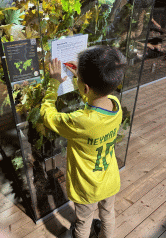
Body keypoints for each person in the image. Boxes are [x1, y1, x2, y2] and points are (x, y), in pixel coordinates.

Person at [40, 45, 127, 238]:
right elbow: (93, 98)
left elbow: (47, 115)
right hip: (109, 179)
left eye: (78, 79)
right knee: (108, 214)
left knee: (83, 222)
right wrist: (79, 77)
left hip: (87, 187)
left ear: (85, 87)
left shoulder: (80, 120)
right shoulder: (116, 104)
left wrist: (54, 84)